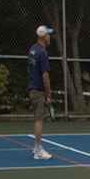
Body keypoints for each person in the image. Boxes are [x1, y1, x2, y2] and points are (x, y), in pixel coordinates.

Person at [27, 25, 54, 160]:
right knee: (39, 120)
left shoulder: (32, 49)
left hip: (32, 88)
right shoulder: (42, 52)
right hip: (38, 90)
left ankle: (36, 147)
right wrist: (48, 94)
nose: (50, 37)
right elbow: (45, 75)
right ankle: (38, 150)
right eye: (48, 35)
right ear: (44, 37)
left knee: (38, 119)